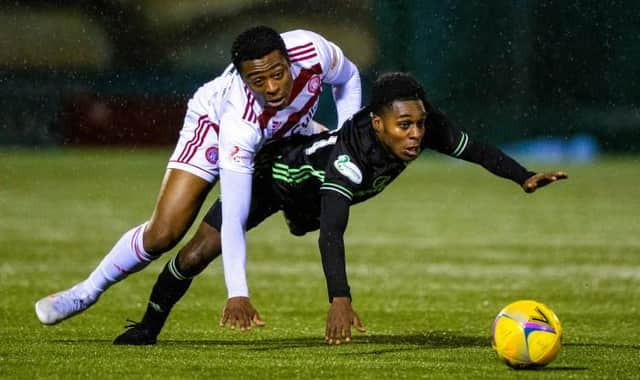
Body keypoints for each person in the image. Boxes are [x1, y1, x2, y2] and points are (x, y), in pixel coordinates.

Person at [111, 72, 568, 345]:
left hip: (307, 200)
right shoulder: (352, 158)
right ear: (377, 122)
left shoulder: (426, 128)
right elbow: (333, 231)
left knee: (302, 221)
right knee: (195, 254)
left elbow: (477, 150)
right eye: (403, 125)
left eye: (420, 124)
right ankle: (148, 326)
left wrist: (522, 177)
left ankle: (295, 220)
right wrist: (340, 299)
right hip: (272, 179)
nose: (415, 134)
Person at [35, 25, 362, 325]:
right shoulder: (239, 120)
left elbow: (349, 78)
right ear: (243, 79)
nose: (273, 87)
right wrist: (238, 292)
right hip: (213, 126)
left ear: (288, 60)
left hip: (289, 130)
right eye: (258, 81)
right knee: (164, 234)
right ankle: (86, 292)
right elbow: (234, 215)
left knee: (343, 164)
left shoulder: (313, 51)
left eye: (278, 74)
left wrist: (344, 140)